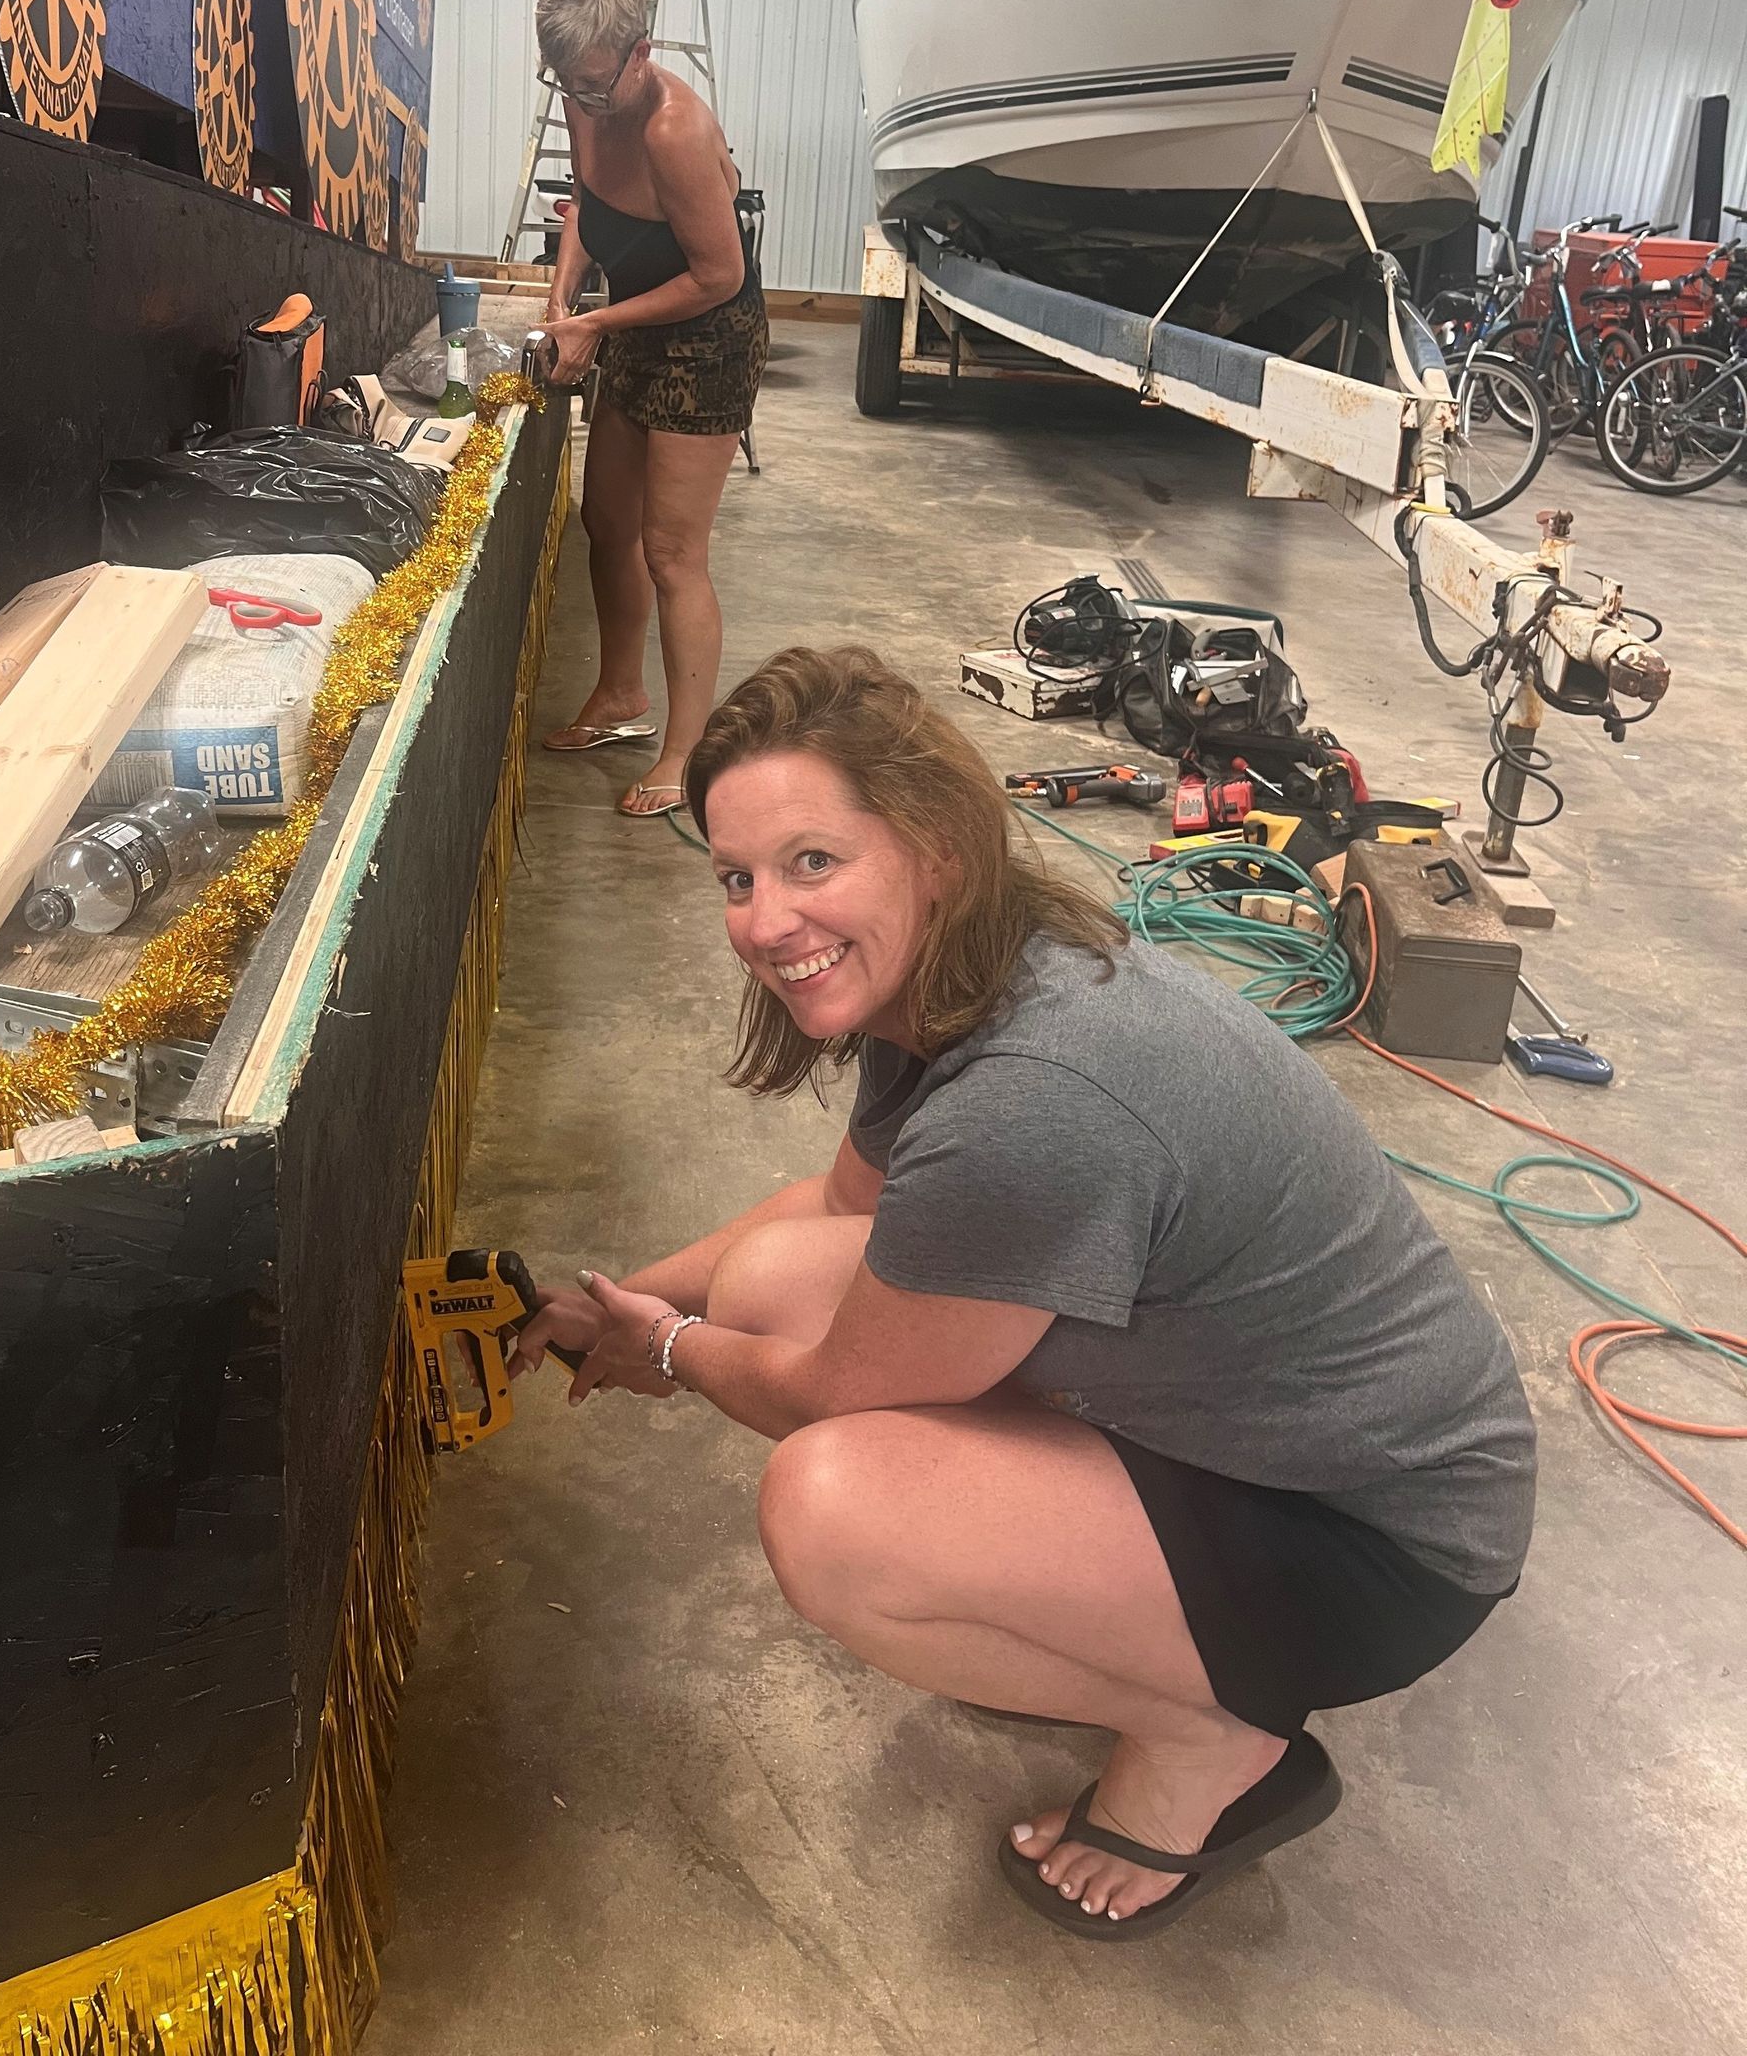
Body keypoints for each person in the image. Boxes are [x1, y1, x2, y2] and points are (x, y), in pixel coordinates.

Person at [515, 646, 1536, 1939]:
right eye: (739, 878)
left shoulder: (1033, 1098)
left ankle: (1215, 1739)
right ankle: (1132, 1637)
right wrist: (599, 1302)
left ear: (935, 846)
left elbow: (832, 1395)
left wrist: (664, 1351)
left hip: (1381, 1541)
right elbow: (835, 1213)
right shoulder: (965, 979)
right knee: (779, 1275)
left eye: (813, 864)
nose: (766, 921)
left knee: (837, 1511)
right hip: (1268, 1432)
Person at [532, 0, 769, 818]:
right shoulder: (584, 86)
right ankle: (619, 695)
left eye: (596, 86)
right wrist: (564, 295)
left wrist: (595, 323)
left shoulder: (674, 129)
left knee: (672, 553)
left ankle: (684, 750)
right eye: (568, 85)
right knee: (606, 522)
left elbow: (716, 275)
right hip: (632, 314)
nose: (582, 102)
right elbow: (585, 211)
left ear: (642, 51)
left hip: (705, 336)